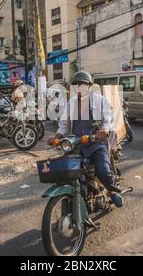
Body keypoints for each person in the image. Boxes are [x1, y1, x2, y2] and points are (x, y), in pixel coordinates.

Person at [48, 71, 124, 208]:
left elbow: (108, 118)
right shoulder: (71, 103)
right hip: (75, 145)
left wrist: (104, 130)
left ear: (89, 86)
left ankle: (111, 191)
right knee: (65, 172)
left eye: (83, 84)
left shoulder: (100, 100)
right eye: (77, 85)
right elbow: (64, 123)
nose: (80, 87)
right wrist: (57, 136)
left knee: (103, 170)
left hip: (95, 144)